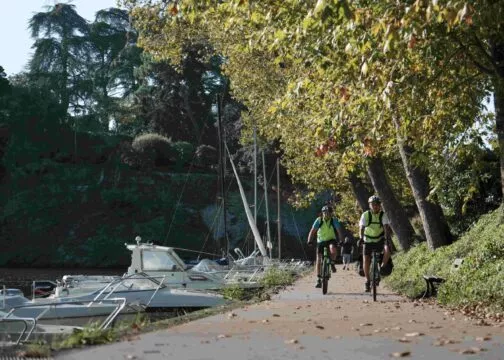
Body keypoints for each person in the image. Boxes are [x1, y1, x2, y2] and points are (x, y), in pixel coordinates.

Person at [359, 195, 392, 292]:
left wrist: (387, 238)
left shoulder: (383, 215)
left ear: (380, 205)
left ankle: (382, 267)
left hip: (379, 239)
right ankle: (367, 281)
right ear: (370, 205)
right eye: (373, 204)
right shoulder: (366, 215)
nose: (375, 206)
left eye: (377, 204)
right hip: (368, 240)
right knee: (366, 259)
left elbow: (386, 227)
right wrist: (361, 238)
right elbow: (361, 227)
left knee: (387, 249)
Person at [307, 205, 345, 288]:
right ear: (322, 213)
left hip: (331, 239)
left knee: (333, 249)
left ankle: (332, 262)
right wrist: (309, 240)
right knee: (319, 259)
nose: (326, 214)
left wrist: (341, 240)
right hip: (321, 241)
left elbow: (339, 231)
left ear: (331, 213)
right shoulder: (319, 220)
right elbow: (312, 231)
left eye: (328, 213)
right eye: (324, 212)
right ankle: (318, 279)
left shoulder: (333, 220)